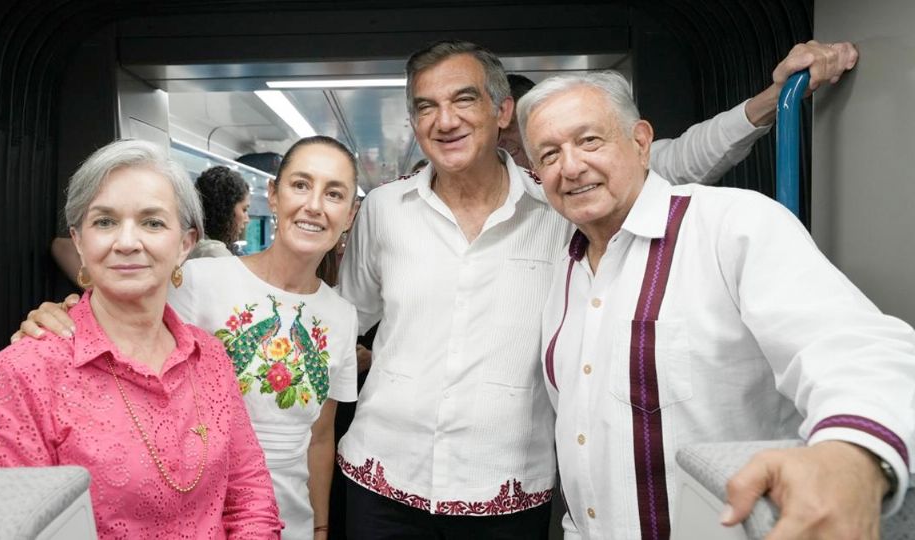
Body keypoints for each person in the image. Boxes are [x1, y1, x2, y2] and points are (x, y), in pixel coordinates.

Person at [333, 39, 858, 539]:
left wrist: (772, 101)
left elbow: (669, 163)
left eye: (464, 99)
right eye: (426, 107)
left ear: (502, 113)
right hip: (380, 476)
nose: (445, 120)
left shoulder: (563, 207)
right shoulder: (383, 209)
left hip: (507, 488)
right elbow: (342, 318)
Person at [519, 70, 915, 539]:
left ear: (641, 142)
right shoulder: (566, 268)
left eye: (589, 140)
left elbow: (854, 347)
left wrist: (850, 456)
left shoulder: (732, 225)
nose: (571, 166)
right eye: (549, 154)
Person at [14, 136, 361, 540]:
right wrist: (63, 314)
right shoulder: (199, 280)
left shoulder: (342, 315)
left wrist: (319, 527)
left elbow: (320, 438)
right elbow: (123, 319)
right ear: (274, 193)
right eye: (300, 184)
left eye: (333, 193)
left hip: (285, 517)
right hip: (194, 507)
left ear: (350, 214)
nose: (314, 205)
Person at [0, 139, 283, 538]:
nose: (127, 242)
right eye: (105, 222)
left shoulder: (210, 356)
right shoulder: (23, 373)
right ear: (79, 242)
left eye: (152, 222)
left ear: (185, 244)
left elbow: (251, 497)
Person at [190, 165, 251, 259]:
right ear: (227, 209)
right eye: (244, 209)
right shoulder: (215, 253)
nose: (247, 219)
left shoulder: (192, 244)